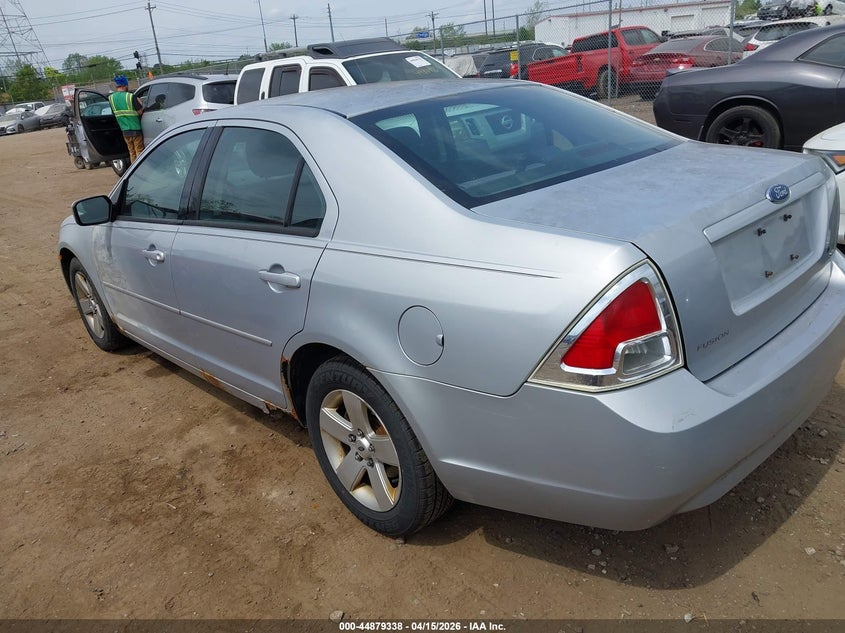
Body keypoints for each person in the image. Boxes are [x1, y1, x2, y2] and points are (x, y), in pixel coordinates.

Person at [108, 75, 144, 163]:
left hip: (125, 131)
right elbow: (140, 112)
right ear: (125, 85)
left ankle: (134, 172)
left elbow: (114, 113)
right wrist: (141, 103)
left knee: (132, 152)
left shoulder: (111, 98)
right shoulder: (130, 96)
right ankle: (141, 171)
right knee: (139, 151)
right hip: (135, 129)